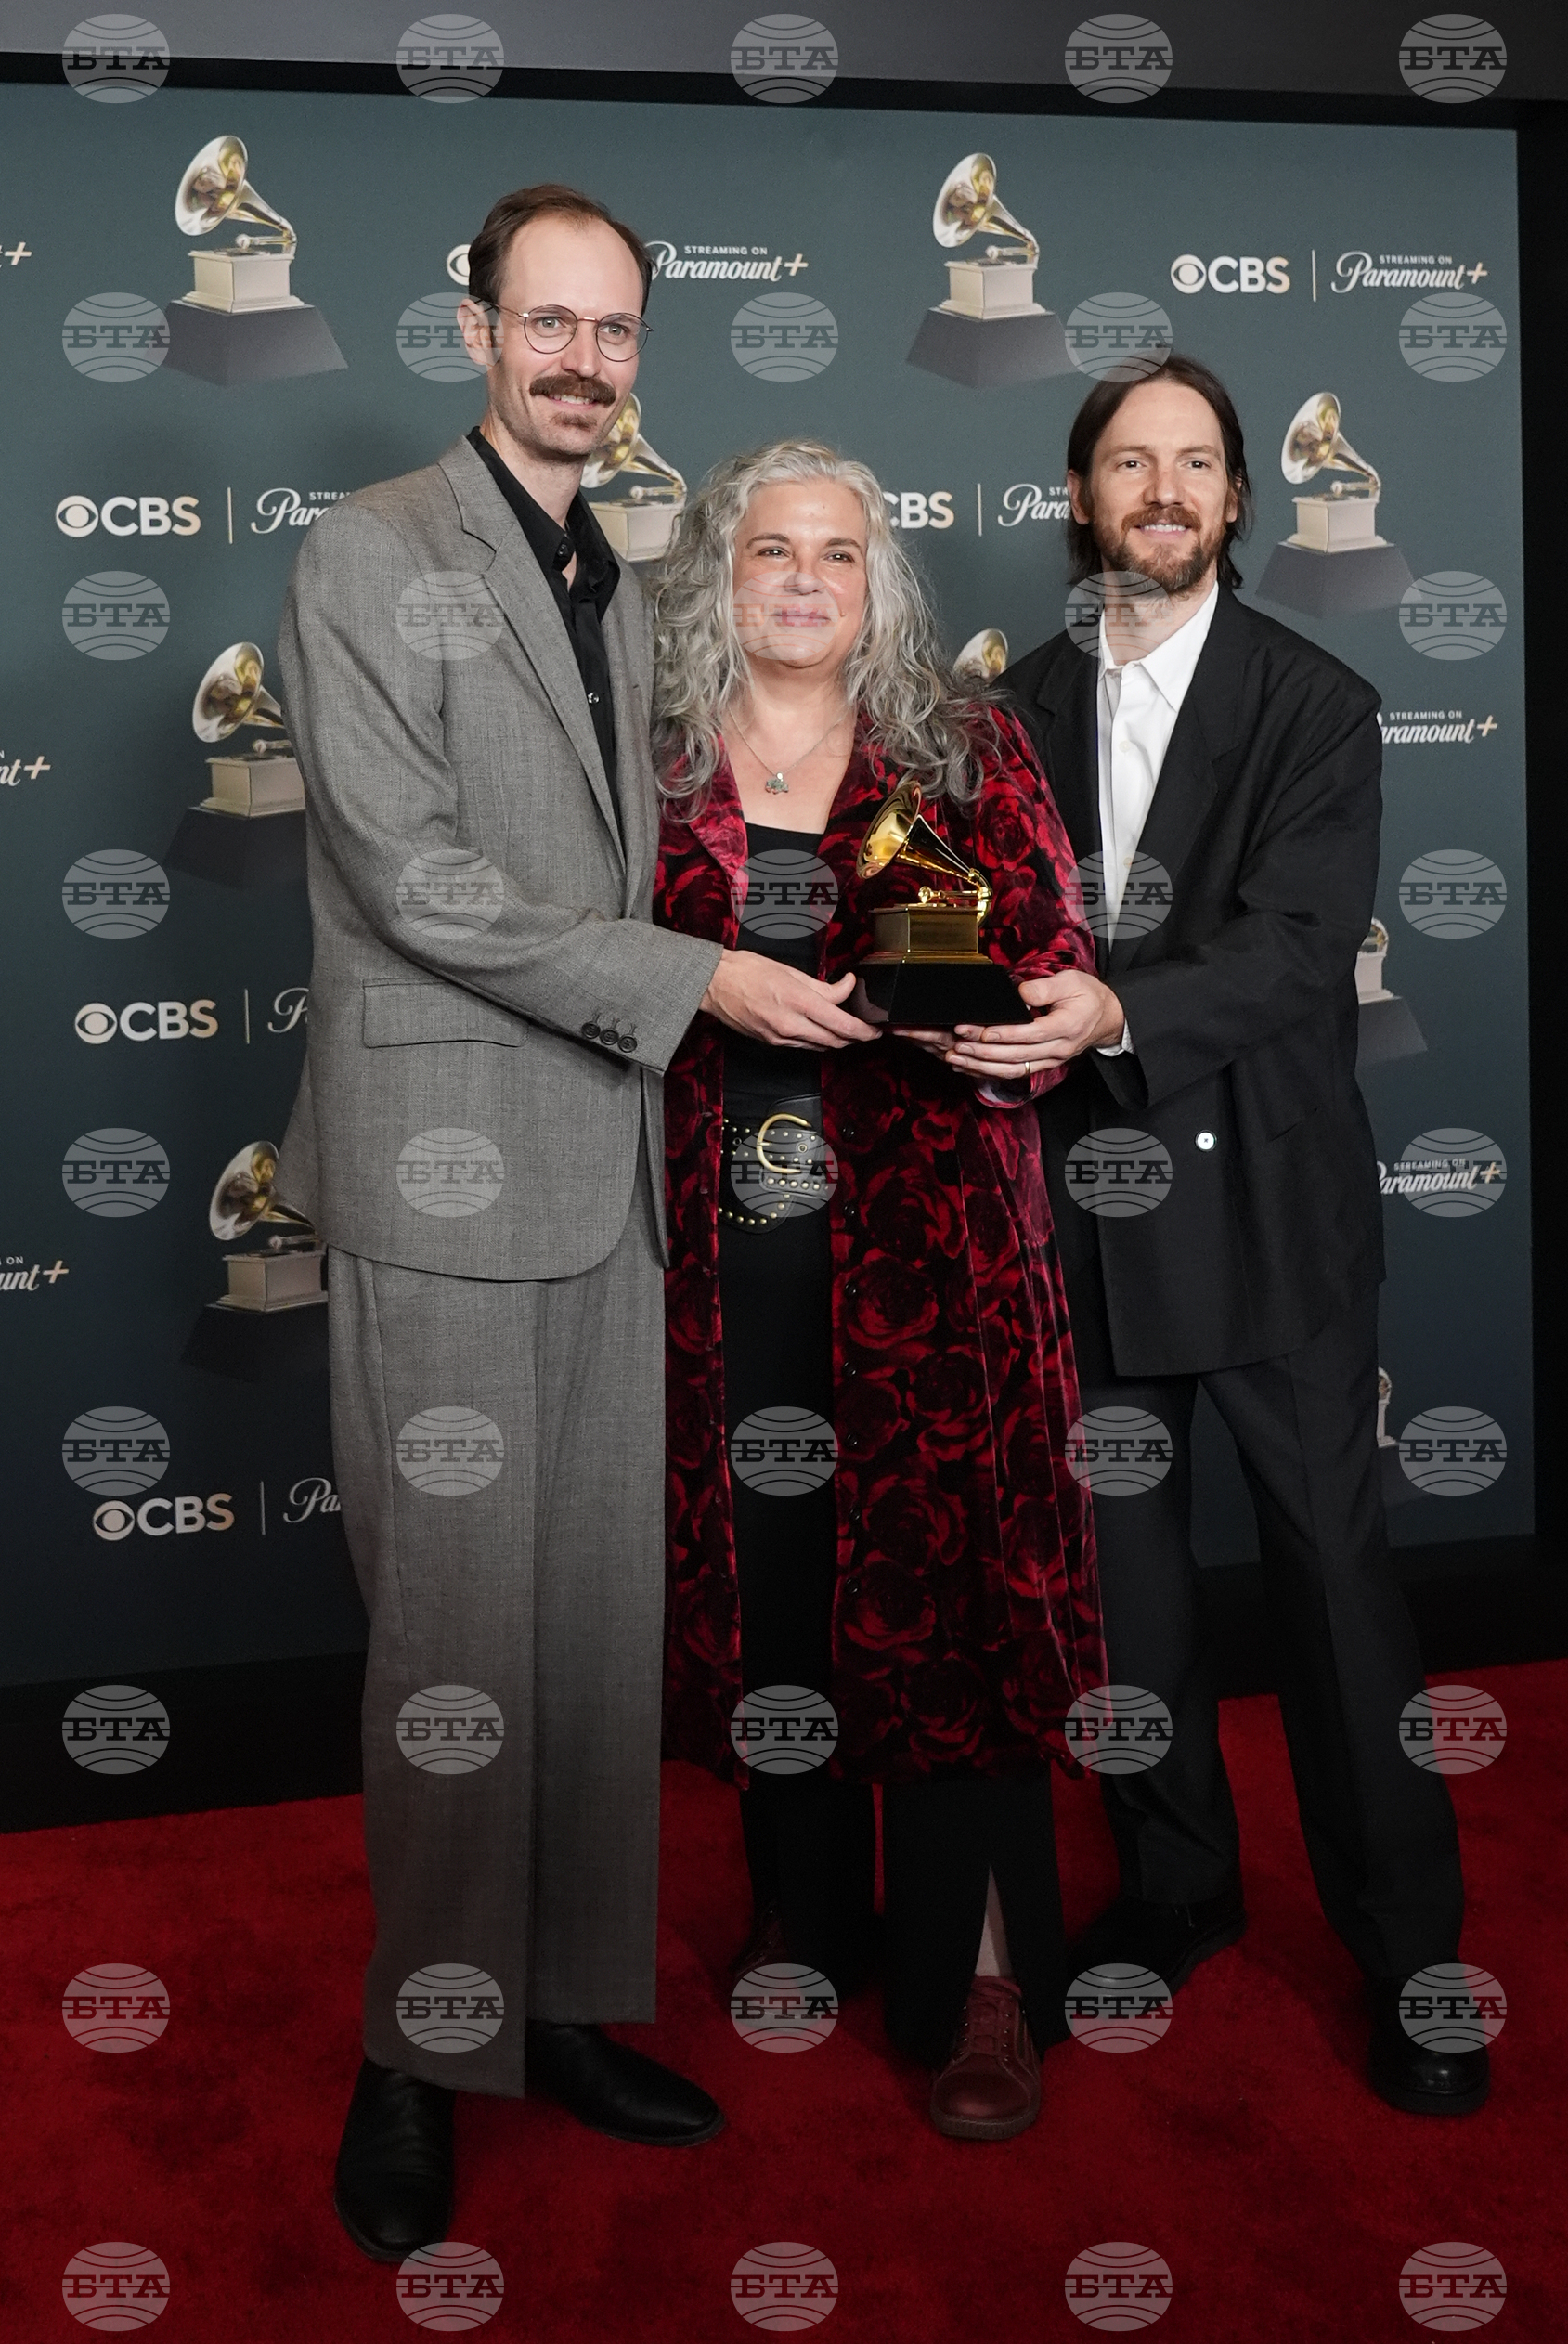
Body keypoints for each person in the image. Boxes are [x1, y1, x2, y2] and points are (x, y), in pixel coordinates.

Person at [276, 187, 881, 2262]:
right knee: (453, 1652)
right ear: (471, 331)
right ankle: (416, 2056)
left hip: (606, 1166)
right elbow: (407, 875)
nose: (581, 363)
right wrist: (693, 984)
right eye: (546, 325)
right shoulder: (366, 547)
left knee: (588, 1639)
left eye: (614, 333)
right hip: (444, 1179)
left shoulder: (624, 571)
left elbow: (685, 825)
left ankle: (557, 2016)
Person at [978, 352, 1482, 2114]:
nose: (1164, 490)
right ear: (1082, 496)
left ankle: (1413, 1955)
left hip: (1266, 1212)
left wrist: (1105, 1016)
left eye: (1195, 463)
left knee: (1336, 1594)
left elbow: (1290, 946)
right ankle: (1177, 1885)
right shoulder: (1009, 707)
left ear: (1239, 502)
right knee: (1130, 1606)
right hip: (1087, 1214)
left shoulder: (1315, 704)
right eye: (1131, 462)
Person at [650, 438, 1105, 2140]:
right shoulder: (654, 753)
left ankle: (979, 1968)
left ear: (876, 583)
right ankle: (805, 1909)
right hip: (718, 1249)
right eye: (773, 547)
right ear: (721, 568)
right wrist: (714, 992)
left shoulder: (962, 742)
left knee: (954, 1591)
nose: (804, 579)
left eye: (839, 553)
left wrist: (1034, 1023)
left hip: (934, 1251)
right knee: (772, 1579)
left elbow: (1050, 959)